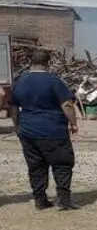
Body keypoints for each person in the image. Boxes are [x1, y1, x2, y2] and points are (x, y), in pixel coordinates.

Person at [7, 49, 79, 210]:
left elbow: (13, 107)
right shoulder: (54, 81)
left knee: (36, 166)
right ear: (48, 63)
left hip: (28, 130)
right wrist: (73, 123)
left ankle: (40, 199)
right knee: (62, 164)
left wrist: (17, 125)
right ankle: (63, 200)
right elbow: (67, 104)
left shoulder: (20, 81)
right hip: (53, 130)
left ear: (31, 62)